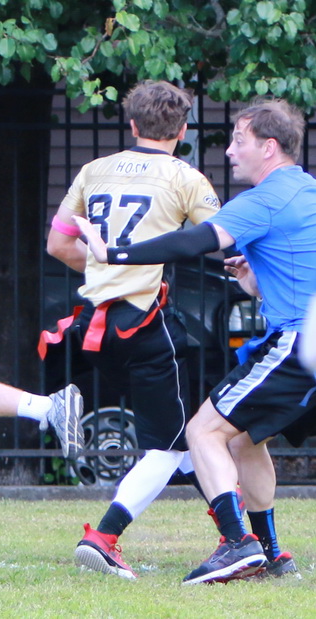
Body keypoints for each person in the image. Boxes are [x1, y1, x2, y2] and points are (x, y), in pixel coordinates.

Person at [75, 98, 315, 584]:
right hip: (302, 340)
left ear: (269, 147)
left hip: (298, 342)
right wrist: (255, 276)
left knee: (203, 431)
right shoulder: (306, 189)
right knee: (245, 439)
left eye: (239, 140)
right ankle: (271, 553)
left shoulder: (264, 200)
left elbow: (193, 241)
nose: (229, 151)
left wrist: (112, 252)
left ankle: (237, 544)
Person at [45, 81, 221, 580]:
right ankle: (103, 537)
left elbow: (58, 245)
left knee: (178, 435)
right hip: (143, 320)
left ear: (132, 125)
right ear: (183, 131)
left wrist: (105, 268)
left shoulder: (94, 170)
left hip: (93, 323)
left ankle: (240, 535)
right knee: (171, 442)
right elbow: (223, 239)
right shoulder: (185, 177)